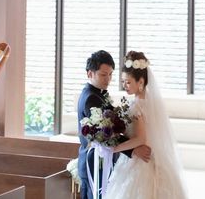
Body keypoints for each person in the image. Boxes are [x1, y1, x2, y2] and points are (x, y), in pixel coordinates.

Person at [104, 51, 188, 199]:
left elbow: (141, 139)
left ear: (141, 82)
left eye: (128, 82)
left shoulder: (136, 106)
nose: (124, 86)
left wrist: (114, 148)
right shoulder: (149, 103)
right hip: (149, 157)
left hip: (139, 161)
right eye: (123, 82)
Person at [78, 50, 152, 199]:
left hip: (103, 160)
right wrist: (133, 149)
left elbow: (114, 124)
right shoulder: (91, 98)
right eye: (103, 75)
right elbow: (105, 134)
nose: (108, 79)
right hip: (94, 162)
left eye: (110, 74)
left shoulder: (99, 93)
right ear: (90, 74)